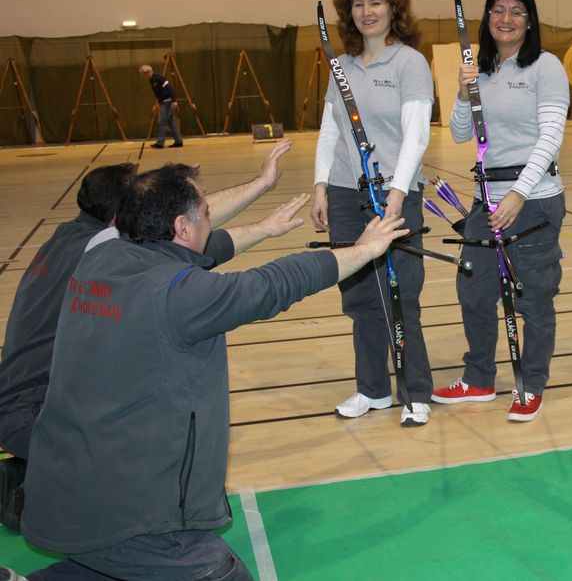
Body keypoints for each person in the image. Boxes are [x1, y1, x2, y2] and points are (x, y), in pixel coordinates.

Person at [16, 164, 408, 580]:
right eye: (205, 210)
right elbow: (277, 282)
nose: (211, 215)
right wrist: (365, 250)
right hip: (126, 513)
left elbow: (208, 247)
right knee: (218, 574)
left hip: (56, 496)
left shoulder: (99, 254)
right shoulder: (181, 296)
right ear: (182, 227)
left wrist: (261, 224)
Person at [0, 140, 294, 533]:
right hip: (36, 415)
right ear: (122, 217)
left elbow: (191, 236)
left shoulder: (69, 237)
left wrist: (264, 222)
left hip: (25, 404)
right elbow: (186, 226)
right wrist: (258, 186)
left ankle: (31, 474)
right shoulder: (98, 249)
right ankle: (29, 487)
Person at [430, 0, 569, 422]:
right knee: (473, 290)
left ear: (530, 21)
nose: (505, 19)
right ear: (486, 17)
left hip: (533, 200)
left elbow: (550, 138)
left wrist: (518, 193)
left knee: (533, 300)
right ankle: (479, 379)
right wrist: (460, 89)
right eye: (497, 10)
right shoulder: (482, 70)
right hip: (484, 199)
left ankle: (531, 383)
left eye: (516, 11)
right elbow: (457, 134)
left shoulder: (546, 67)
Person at [311, 0, 434, 427]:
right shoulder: (341, 67)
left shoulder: (409, 64)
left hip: (393, 194)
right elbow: (330, 130)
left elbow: (416, 137)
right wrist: (321, 184)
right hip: (347, 193)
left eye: (376, 3)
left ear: (394, 10)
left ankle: (415, 391)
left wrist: (398, 193)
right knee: (360, 296)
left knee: (401, 295)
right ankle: (372, 389)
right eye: (359, 4)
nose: (367, 12)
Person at [139, 64, 182, 149]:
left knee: (161, 121)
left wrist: (174, 100)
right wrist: (158, 103)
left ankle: (160, 143)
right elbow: (158, 93)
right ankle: (178, 141)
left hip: (167, 102)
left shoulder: (159, 78)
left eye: (142, 74)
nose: (142, 76)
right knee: (171, 123)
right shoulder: (152, 80)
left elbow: (170, 89)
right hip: (163, 102)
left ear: (147, 73)